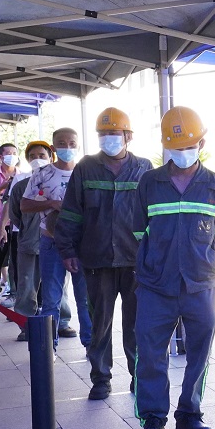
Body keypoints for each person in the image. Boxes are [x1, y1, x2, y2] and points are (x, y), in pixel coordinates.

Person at [133, 106, 215, 429]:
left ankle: (190, 414)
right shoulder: (150, 183)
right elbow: (138, 230)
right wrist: (157, 260)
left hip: (199, 284)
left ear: (201, 143)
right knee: (150, 352)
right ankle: (153, 420)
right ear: (165, 146)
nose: (182, 152)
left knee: (199, 352)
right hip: (155, 285)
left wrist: (197, 258)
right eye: (175, 147)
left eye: (189, 145)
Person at [55, 107, 153, 400]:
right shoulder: (85, 167)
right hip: (96, 260)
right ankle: (100, 379)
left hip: (136, 260)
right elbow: (71, 211)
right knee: (99, 324)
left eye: (114, 133)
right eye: (103, 133)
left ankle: (139, 378)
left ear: (128, 136)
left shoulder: (145, 168)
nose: (108, 138)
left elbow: (154, 214)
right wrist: (67, 249)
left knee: (137, 325)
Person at [20, 128, 92, 351]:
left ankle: (91, 346)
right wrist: (51, 203)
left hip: (83, 244)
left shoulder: (86, 172)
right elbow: (24, 205)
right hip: (51, 242)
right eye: (61, 143)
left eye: (72, 143)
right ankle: (48, 349)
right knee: (51, 299)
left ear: (78, 146)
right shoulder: (42, 174)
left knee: (86, 299)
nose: (67, 148)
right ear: (53, 148)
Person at [0, 143, 20, 301]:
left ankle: (13, 289)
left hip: (15, 224)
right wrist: (3, 186)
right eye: (8, 153)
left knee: (14, 258)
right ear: (1, 156)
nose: (11, 156)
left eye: (14, 153)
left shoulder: (21, 175)